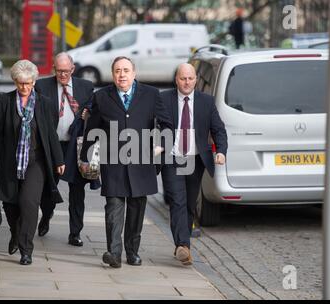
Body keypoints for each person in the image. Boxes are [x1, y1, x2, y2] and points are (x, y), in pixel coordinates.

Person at [80, 56, 173, 268]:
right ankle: (114, 253)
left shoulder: (151, 94)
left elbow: (167, 125)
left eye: (126, 70)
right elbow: (92, 131)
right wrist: (85, 157)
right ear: (113, 74)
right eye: (117, 71)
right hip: (112, 161)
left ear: (134, 73)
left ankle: (132, 252)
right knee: (113, 206)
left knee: (136, 208)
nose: (122, 74)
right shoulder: (101, 97)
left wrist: (160, 146)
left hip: (142, 162)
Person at [0, 60, 65, 265]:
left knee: (29, 203)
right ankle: (15, 233)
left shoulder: (44, 102)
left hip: (35, 162)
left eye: (28, 83)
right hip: (8, 162)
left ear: (34, 82)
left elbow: (50, 134)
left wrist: (58, 159)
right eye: (21, 83)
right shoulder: (4, 101)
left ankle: (26, 250)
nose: (24, 87)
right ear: (14, 81)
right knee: (11, 205)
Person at [160, 63, 227, 265]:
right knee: (177, 201)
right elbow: (153, 124)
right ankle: (183, 246)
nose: (187, 82)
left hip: (195, 160)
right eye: (183, 78)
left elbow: (219, 130)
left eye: (190, 78)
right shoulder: (164, 99)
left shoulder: (206, 102)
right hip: (172, 158)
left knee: (190, 203)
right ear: (176, 80)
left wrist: (221, 151)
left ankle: (182, 243)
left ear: (196, 79)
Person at [35, 52, 100, 246]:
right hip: (52, 146)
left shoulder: (86, 87)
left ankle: (75, 233)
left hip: (75, 147)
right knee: (48, 189)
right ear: (54, 69)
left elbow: (93, 114)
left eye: (66, 71)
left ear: (72, 69)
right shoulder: (42, 86)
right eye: (58, 70)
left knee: (77, 191)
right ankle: (47, 214)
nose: (62, 75)